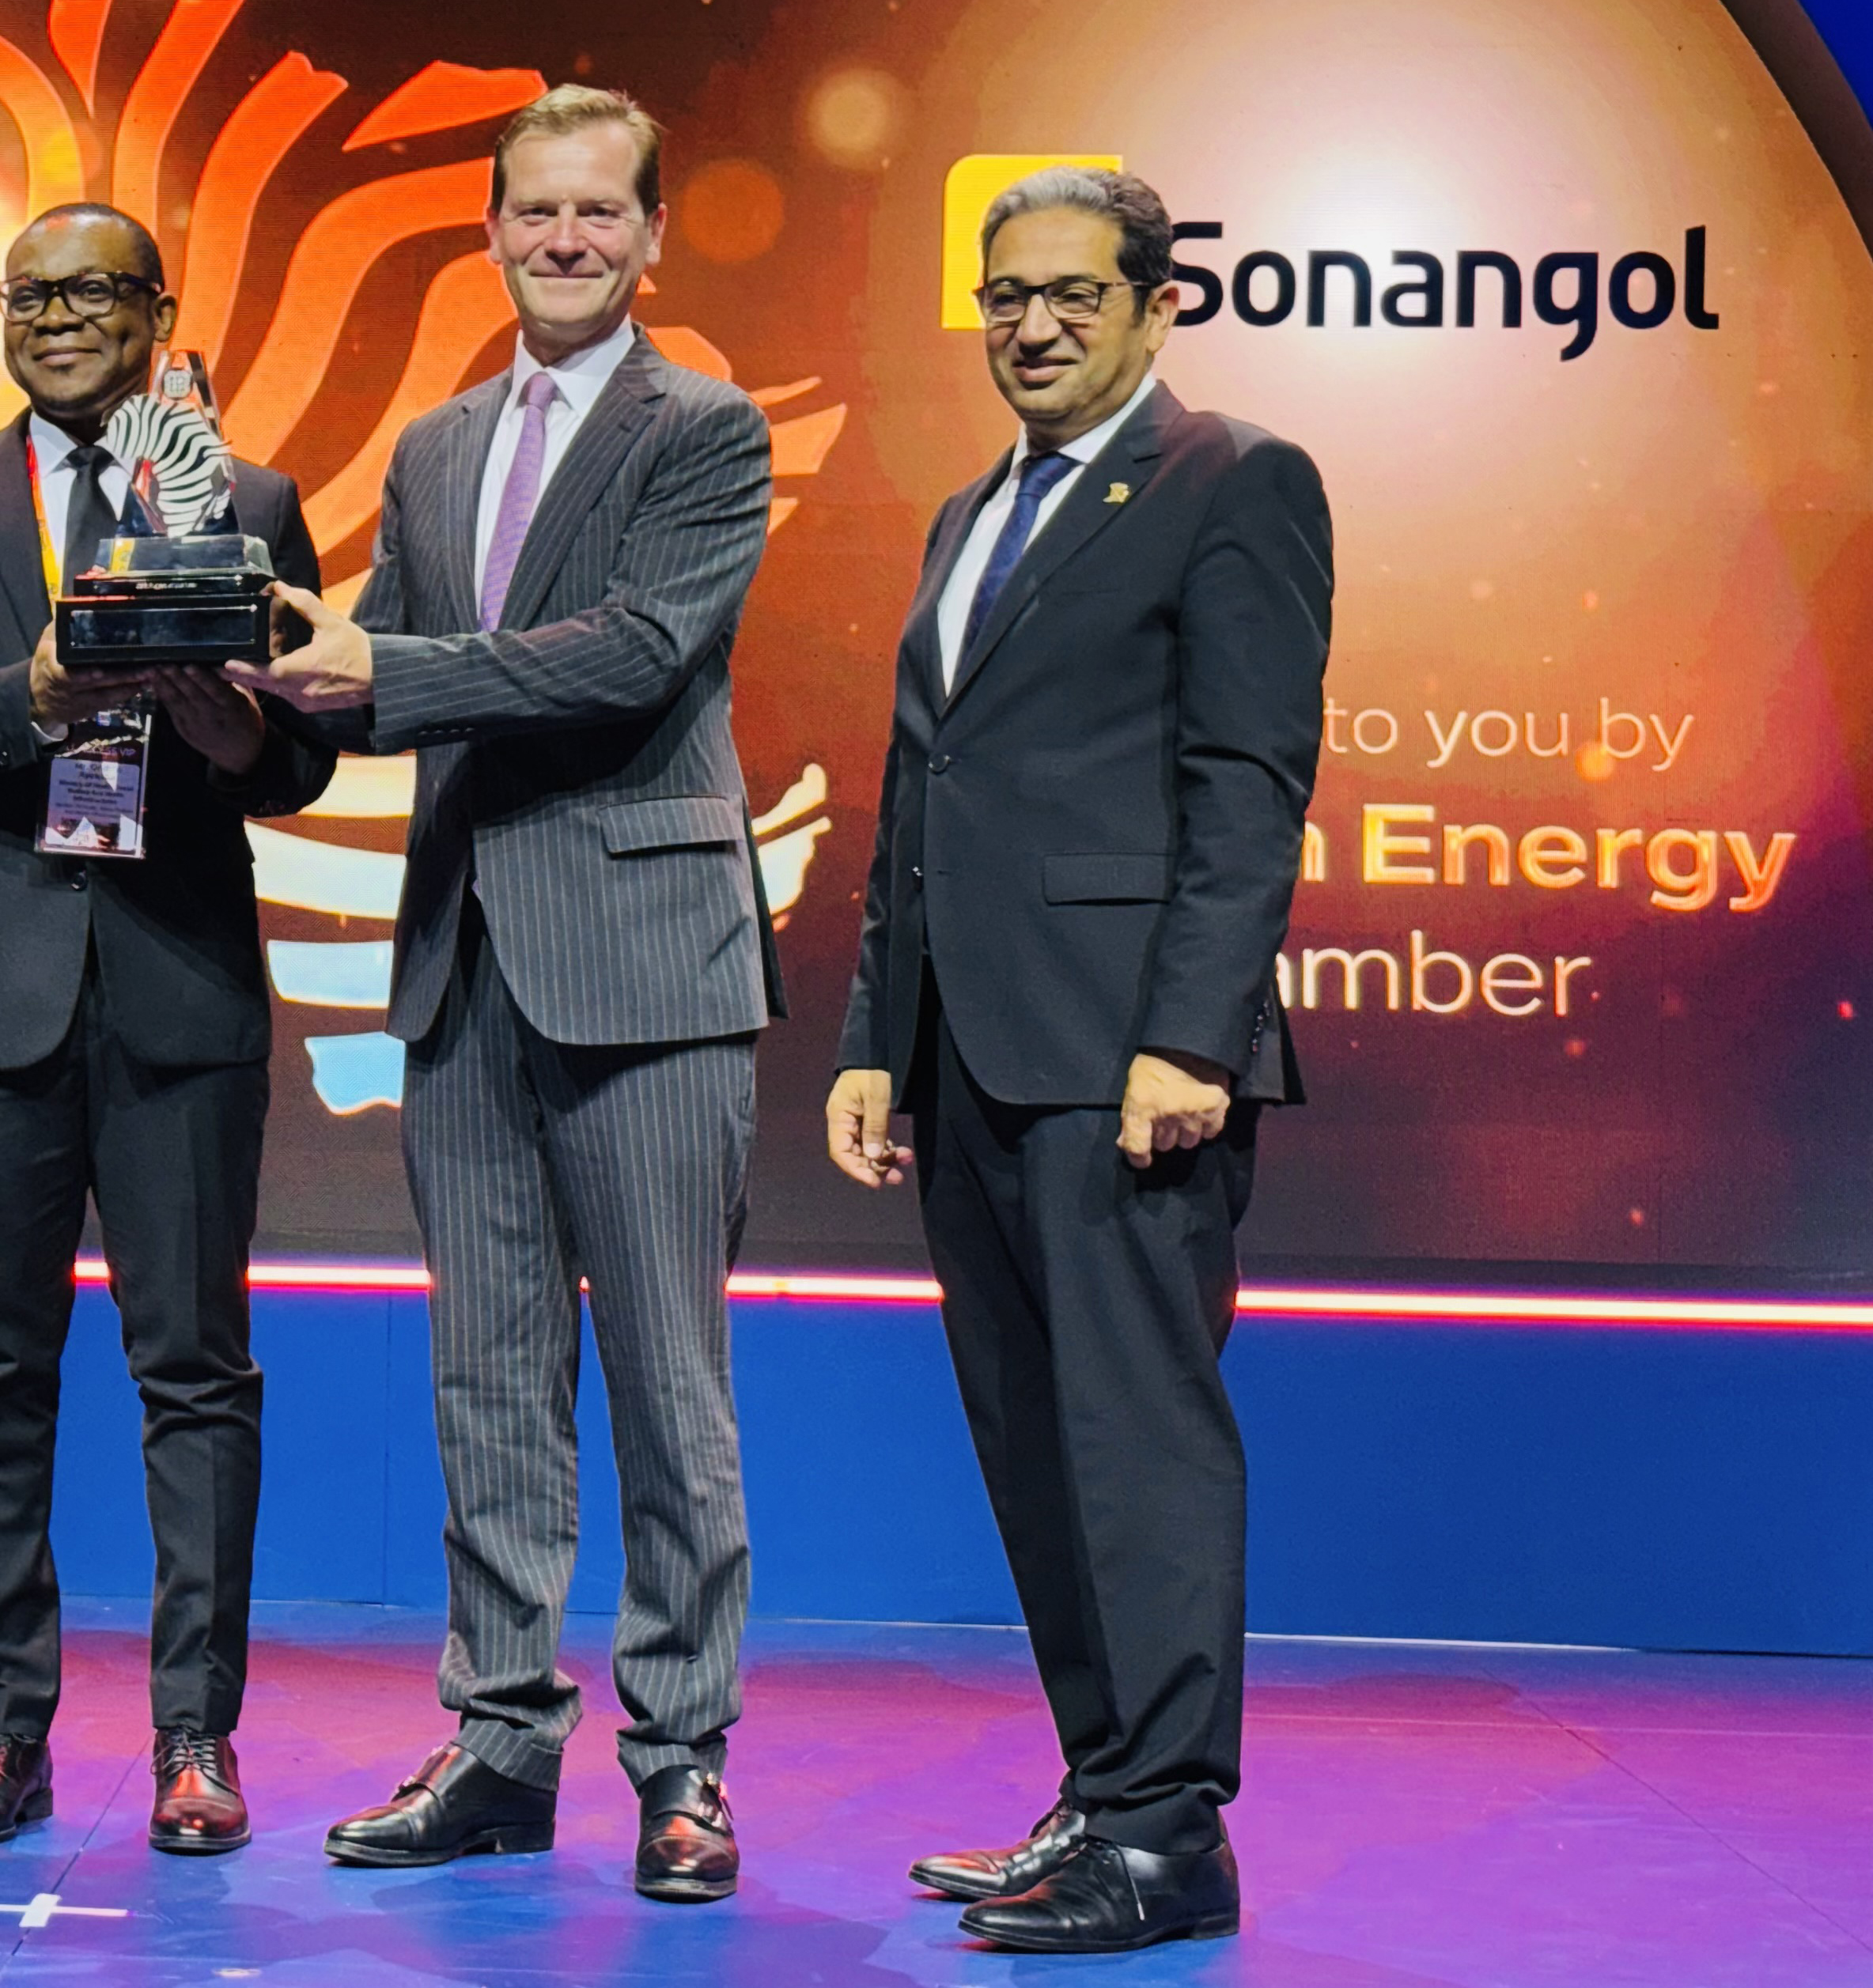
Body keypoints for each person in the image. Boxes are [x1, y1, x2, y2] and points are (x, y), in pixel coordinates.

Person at [229, 89, 777, 1904]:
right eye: (536, 210)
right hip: (464, 962)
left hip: (649, 967)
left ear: (653, 236)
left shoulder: (706, 431)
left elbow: (633, 657)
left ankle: (682, 1764)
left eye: (599, 212)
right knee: (488, 1381)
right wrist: (250, 688)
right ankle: (500, 1742)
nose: (565, 239)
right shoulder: (441, 445)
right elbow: (387, 672)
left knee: (669, 1388)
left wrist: (376, 673)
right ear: (490, 228)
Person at [824, 166, 1332, 1953]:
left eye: (1073, 294)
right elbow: (925, 789)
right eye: (1006, 295)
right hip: (971, 1053)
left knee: (1137, 1445)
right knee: (1034, 1445)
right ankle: (1105, 1793)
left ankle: (1172, 1836)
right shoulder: (971, 510)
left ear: (1153, 305)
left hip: (1127, 1059)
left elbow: (1249, 787)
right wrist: (877, 1037)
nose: (1032, 326)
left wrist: (1192, 1036)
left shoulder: (1235, 479)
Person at [0, 202, 333, 1856]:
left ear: (157, 310)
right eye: (29, 294)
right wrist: (32, 700)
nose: (56, 317)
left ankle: (197, 1735)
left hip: (181, 984)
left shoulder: (246, 498)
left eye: (93, 291)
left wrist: (236, 734)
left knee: (196, 1372)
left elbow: (306, 756)